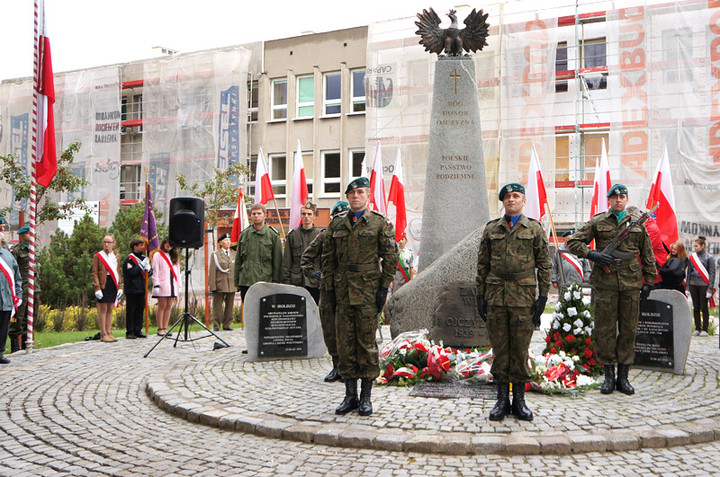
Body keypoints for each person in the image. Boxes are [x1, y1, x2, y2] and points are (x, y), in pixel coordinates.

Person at [567, 184, 656, 395]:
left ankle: (623, 377)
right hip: (605, 284)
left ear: (627, 199)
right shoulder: (598, 222)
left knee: (628, 330)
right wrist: (593, 255)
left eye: (622, 197)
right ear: (609, 200)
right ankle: (608, 376)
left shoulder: (637, 226)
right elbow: (574, 243)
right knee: (604, 330)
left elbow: (647, 255)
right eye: (615, 197)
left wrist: (649, 281)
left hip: (631, 285)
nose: (618, 200)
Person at [475, 183, 551, 422]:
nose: (511, 200)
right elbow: (482, 265)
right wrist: (480, 294)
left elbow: (545, 264)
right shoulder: (491, 229)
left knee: (519, 349)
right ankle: (501, 400)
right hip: (496, 295)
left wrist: (543, 296)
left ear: (524, 200)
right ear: (503, 202)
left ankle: (519, 400)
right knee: (500, 349)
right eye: (507, 197)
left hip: (523, 296)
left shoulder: (535, 229)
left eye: (515, 196)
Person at [322, 178, 398, 416]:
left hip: (367, 292)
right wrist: (330, 291)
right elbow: (328, 260)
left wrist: (383, 288)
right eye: (352, 192)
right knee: (345, 345)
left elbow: (390, 257)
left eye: (360, 192)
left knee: (366, 344)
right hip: (342, 291)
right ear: (347, 197)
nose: (356, 196)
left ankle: (366, 397)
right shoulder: (337, 225)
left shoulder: (378, 223)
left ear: (368, 196)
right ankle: (350, 395)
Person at [301, 200, 350, 383]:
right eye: (338, 218)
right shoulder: (325, 236)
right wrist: (315, 275)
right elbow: (307, 257)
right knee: (330, 329)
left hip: (349, 290)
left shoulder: (355, 237)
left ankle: (348, 369)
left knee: (347, 330)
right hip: (329, 291)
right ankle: (336, 366)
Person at [234, 203, 282, 301]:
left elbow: (277, 262)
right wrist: (236, 282)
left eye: (259, 213)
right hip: (246, 281)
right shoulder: (244, 235)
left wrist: (276, 283)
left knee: (264, 312)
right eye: (253, 213)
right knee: (249, 312)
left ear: (265, 215)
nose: (256, 216)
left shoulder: (272, 235)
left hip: (265, 281)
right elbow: (238, 260)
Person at [282, 202, 321, 304]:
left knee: (314, 313)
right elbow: (287, 261)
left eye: (309, 214)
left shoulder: (320, 235)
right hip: (297, 281)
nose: (306, 217)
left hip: (314, 282)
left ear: (314, 216)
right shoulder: (293, 235)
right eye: (303, 214)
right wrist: (287, 282)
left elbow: (324, 260)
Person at [92, 234, 123, 343]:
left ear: (113, 243)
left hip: (113, 282)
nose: (106, 244)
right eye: (104, 242)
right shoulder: (98, 256)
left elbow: (118, 271)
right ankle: (103, 333)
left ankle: (109, 331)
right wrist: (97, 288)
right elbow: (95, 273)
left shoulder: (115, 256)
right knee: (103, 308)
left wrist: (120, 286)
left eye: (109, 242)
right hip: (103, 283)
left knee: (110, 308)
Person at [10, 225, 34, 352]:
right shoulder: (17, 250)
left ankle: (26, 341)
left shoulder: (34, 248)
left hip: (34, 288)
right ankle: (14, 343)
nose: (30, 235)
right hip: (22, 287)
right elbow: (12, 269)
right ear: (22, 235)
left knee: (30, 316)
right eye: (28, 233)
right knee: (18, 316)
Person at [686, 235, 715, 336]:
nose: (695, 248)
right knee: (696, 307)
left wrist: (710, 289)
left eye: (696, 246)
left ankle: (705, 329)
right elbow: (689, 272)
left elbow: (712, 273)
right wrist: (688, 286)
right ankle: (697, 328)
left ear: (702, 246)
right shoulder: (692, 258)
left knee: (704, 307)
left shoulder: (709, 258)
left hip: (704, 285)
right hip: (693, 284)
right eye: (694, 246)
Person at [122, 238, 151, 339]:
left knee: (139, 310)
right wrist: (142, 265)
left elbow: (148, 274)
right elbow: (132, 273)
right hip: (132, 289)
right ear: (135, 247)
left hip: (141, 288)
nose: (143, 247)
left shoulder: (143, 258)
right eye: (141, 245)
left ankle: (138, 330)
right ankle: (130, 331)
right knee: (131, 310)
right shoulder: (129, 259)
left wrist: (149, 269)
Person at [152, 237, 180, 337]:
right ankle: (160, 328)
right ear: (164, 243)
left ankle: (165, 328)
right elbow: (155, 270)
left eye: (171, 246)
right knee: (162, 306)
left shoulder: (174, 255)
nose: (169, 247)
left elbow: (177, 271)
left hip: (172, 284)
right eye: (167, 245)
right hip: (162, 284)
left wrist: (178, 285)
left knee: (169, 306)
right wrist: (156, 284)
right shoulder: (158, 255)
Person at [208, 233, 236, 331]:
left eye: (229, 240)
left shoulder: (234, 254)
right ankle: (216, 325)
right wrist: (212, 286)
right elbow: (212, 271)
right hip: (220, 283)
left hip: (231, 284)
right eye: (225, 240)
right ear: (220, 242)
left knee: (230, 306)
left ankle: (227, 324)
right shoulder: (215, 255)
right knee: (217, 307)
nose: (228, 242)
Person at [0, 244, 22, 363]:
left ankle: (0, 352)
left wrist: (18, 296)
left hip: (6, 300)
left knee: (3, 328)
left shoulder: (8, 255)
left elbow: (17, 277)